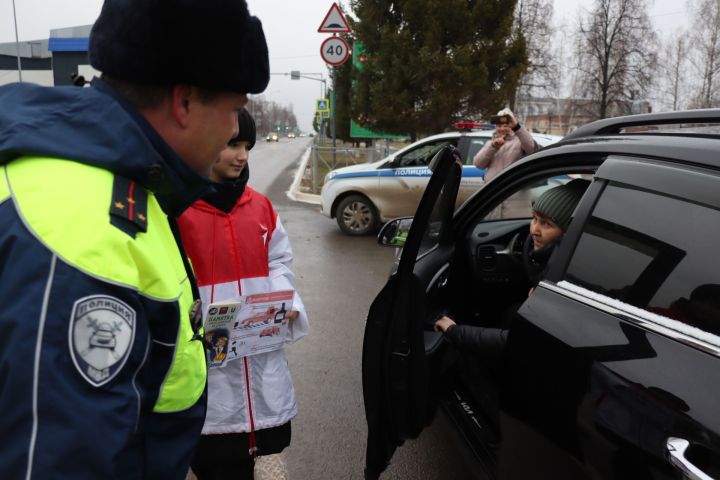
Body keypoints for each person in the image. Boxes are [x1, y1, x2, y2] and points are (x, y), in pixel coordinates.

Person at [0, 1, 269, 479]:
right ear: (184, 102)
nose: (235, 130)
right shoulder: (81, 229)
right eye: (234, 111)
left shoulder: (125, 181)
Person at [177, 109, 309, 480]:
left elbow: (280, 262)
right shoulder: (179, 210)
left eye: (247, 145)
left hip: (258, 362)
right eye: (232, 144)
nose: (243, 155)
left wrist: (287, 303)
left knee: (249, 458)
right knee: (218, 464)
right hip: (209, 376)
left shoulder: (261, 207)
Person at [434, 179, 590, 352]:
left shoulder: (564, 277)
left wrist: (455, 332)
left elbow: (518, 341)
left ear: (570, 232)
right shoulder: (565, 258)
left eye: (547, 224)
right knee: (511, 311)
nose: (534, 230)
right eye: (534, 219)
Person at [473, 108, 538, 182]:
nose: (502, 129)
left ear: (512, 125)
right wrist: (493, 147)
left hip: (511, 189)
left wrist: (517, 127)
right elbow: (478, 164)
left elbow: (531, 149)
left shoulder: (520, 141)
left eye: (506, 125)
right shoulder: (491, 143)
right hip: (492, 189)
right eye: (499, 126)